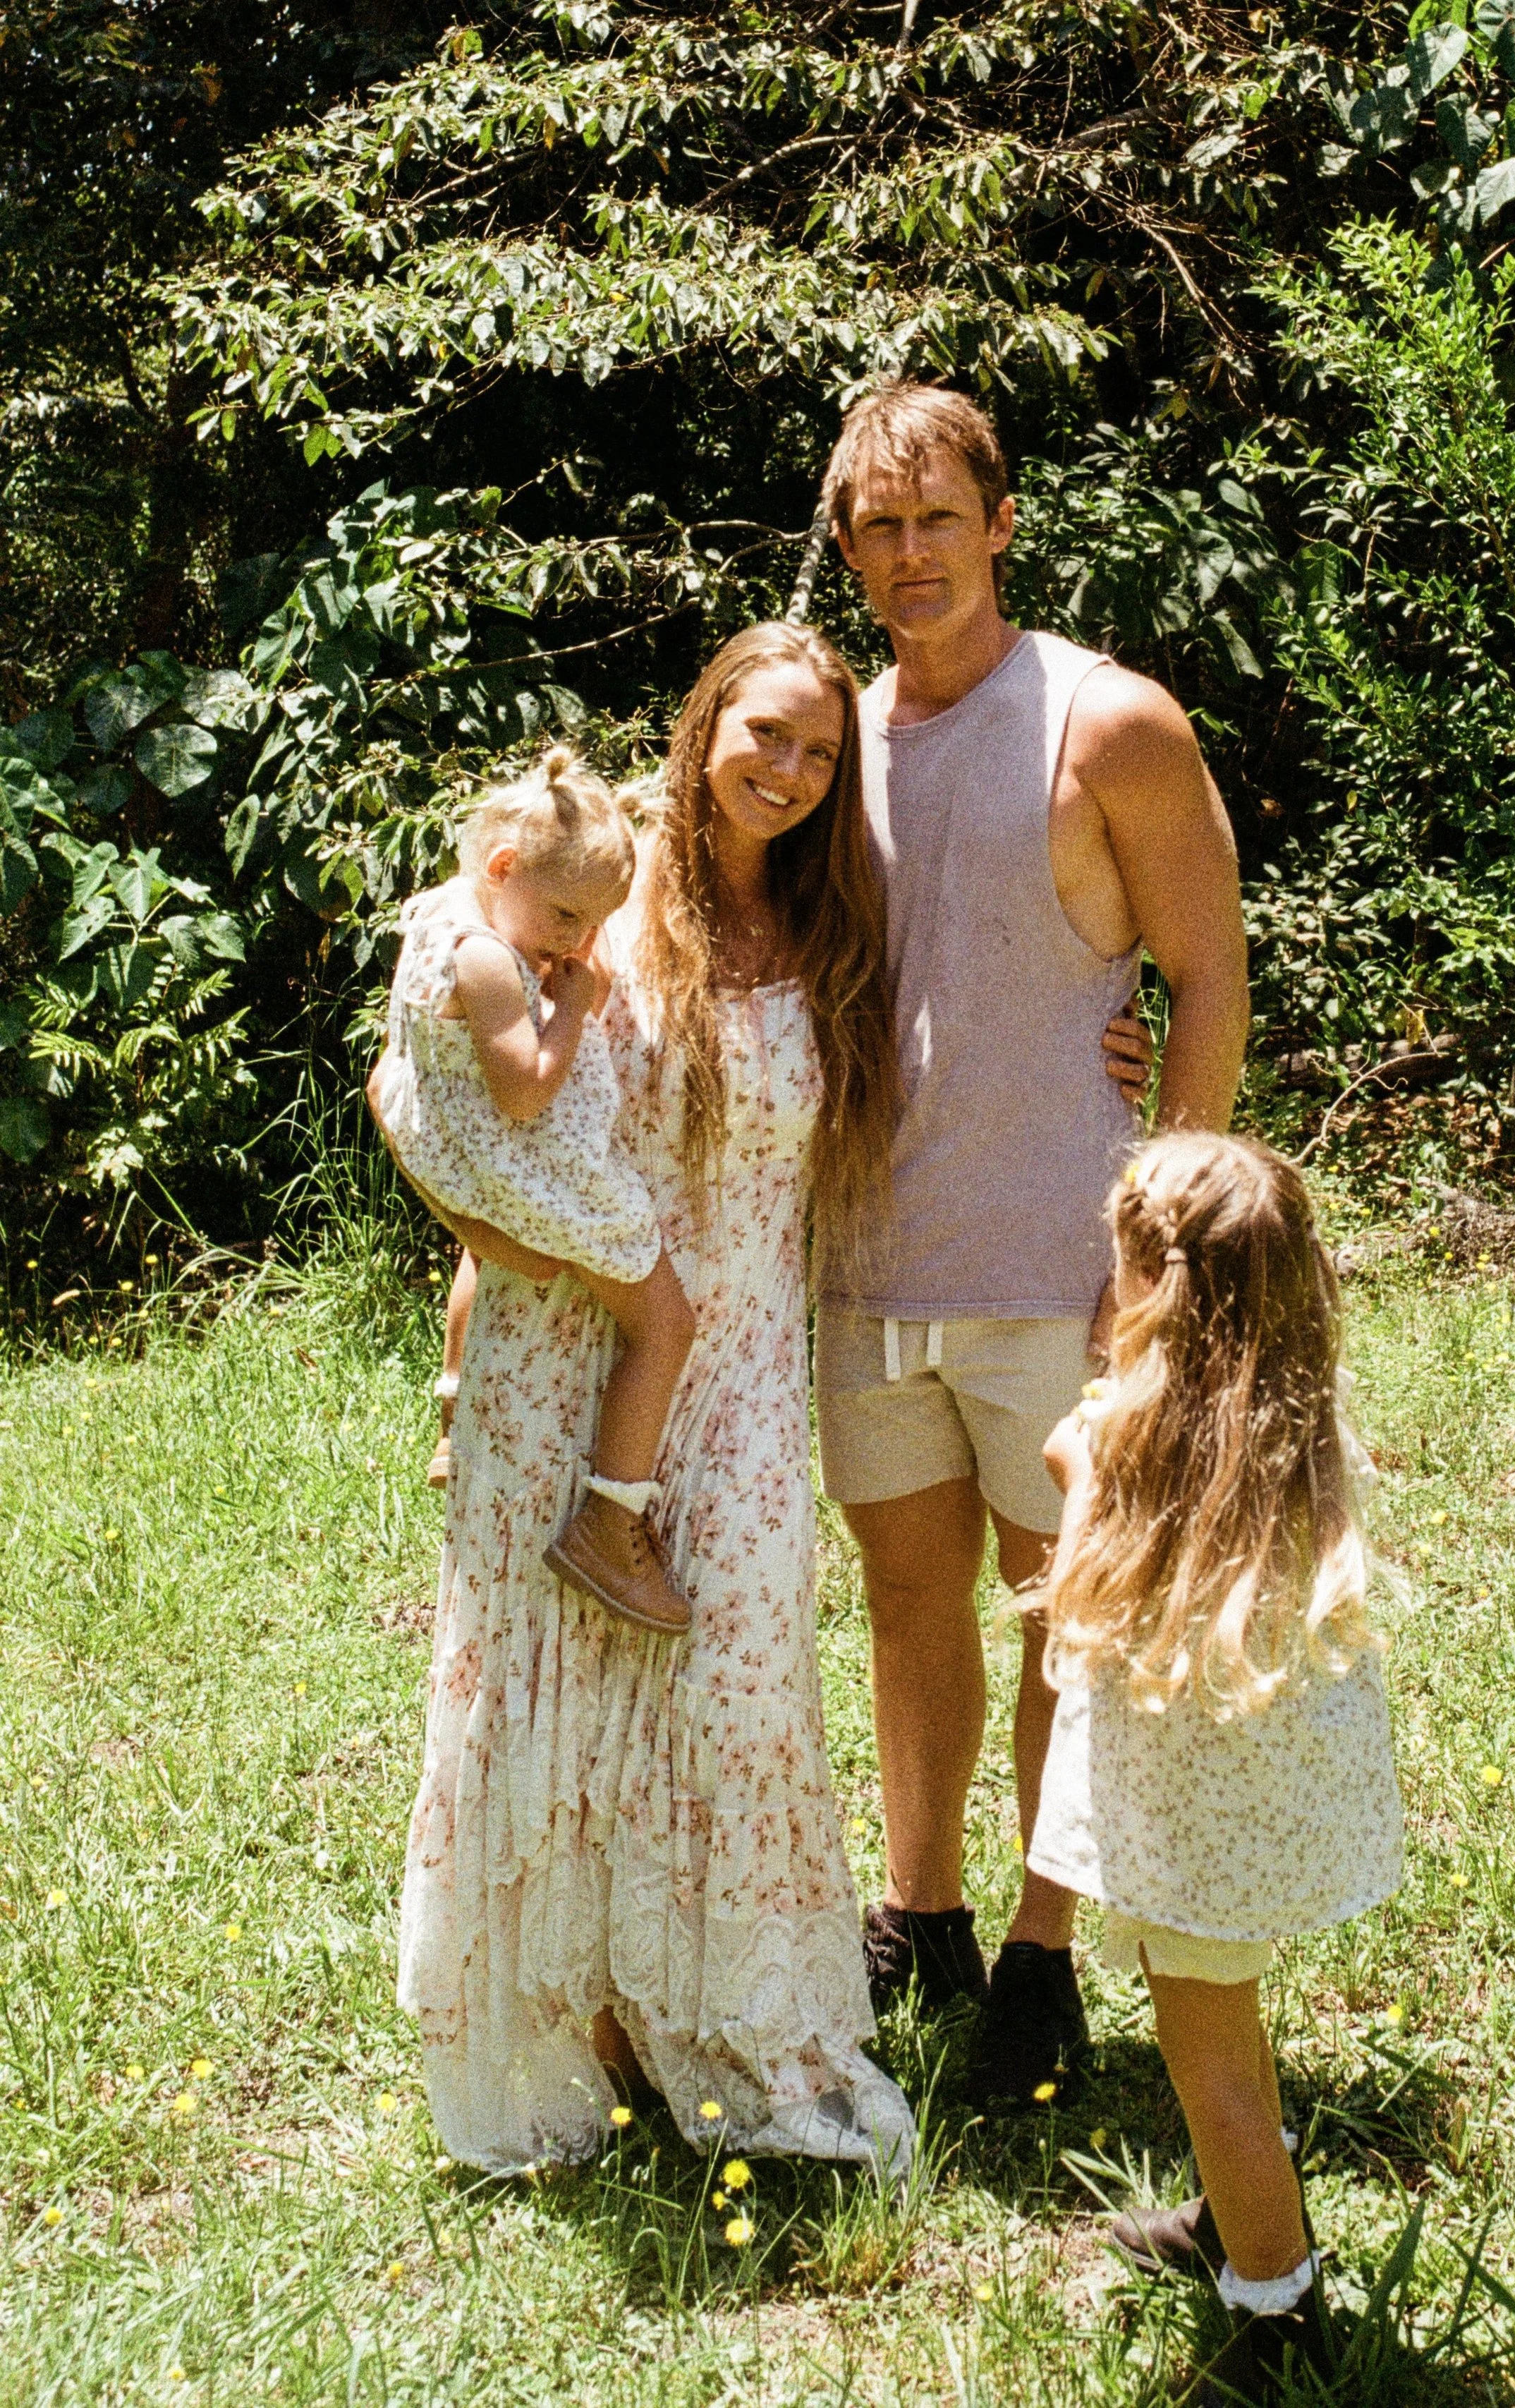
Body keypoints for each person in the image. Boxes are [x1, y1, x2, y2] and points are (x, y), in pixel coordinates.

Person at [384, 622, 920, 2177]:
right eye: (763, 733)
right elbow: (439, 1093)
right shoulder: (598, 893)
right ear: (703, 728)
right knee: (559, 1686)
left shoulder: (835, 920)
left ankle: (743, 2021)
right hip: (572, 1344)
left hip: (740, 1348)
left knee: (739, 1673)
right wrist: (467, 1292)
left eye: (819, 751)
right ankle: (585, 2031)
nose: (787, 768)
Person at [812, 380, 1251, 2103]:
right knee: (910, 1607)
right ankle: (919, 1914)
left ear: (1000, 524)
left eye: (939, 519)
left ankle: (1038, 1953)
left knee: (1065, 1614)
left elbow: (1206, 970)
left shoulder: (1105, 719)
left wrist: (1165, 1228)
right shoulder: (827, 736)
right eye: (876, 524)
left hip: (1063, 1259)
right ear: (847, 547)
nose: (910, 553)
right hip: (867, 1264)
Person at [1030, 1132, 1403, 2404]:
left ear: (1153, 1284)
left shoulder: (1130, 1442)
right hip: (1271, 1803)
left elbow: (1076, 1616)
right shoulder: (1290, 1417)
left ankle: (1275, 2299)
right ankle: (1239, 2207)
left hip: (1192, 1823)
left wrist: (1073, 1474)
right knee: (1229, 2034)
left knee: (1213, 2064)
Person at [375, 748, 697, 1635]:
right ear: (505, 867)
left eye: (594, 924)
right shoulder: (485, 959)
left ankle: (451, 1412)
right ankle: (610, 1520)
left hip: (453, 1135)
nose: (573, 942)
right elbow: (523, 1092)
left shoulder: (451, 904)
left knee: (486, 1250)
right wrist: (575, 1006)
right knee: (666, 1323)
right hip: (528, 1161)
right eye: (564, 914)